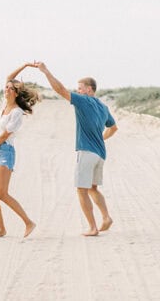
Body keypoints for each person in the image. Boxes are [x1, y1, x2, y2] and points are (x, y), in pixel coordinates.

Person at [31, 61, 117, 236]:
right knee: (92, 188)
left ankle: (93, 227)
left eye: (80, 88)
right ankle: (106, 217)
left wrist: (46, 72)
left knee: (81, 189)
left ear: (89, 89)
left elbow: (61, 90)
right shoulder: (103, 106)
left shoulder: (83, 101)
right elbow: (113, 128)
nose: (78, 91)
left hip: (86, 152)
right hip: (100, 154)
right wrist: (100, 138)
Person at [0, 62, 41, 238]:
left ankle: (28, 222)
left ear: (16, 93)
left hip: (5, 151)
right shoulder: (3, 106)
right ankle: (1, 228)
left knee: (2, 193)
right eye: (6, 88)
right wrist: (26, 65)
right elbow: (8, 77)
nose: (6, 90)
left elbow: (4, 136)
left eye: (10, 88)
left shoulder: (17, 112)